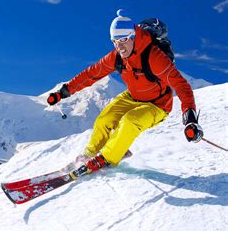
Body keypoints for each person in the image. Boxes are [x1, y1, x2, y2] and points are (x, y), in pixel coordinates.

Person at [46, 9, 203, 173]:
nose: (119, 46)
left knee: (130, 121)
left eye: (123, 40)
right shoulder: (117, 57)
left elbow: (181, 86)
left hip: (157, 104)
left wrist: (190, 117)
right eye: (115, 41)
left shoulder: (154, 57)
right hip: (133, 97)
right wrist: (62, 92)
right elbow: (91, 74)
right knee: (104, 120)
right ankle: (89, 155)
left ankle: (106, 158)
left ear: (134, 36)